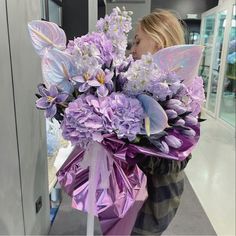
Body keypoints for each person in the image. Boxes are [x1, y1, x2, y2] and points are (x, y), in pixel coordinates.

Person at [130, 9, 191, 235]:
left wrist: (128, 147)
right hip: (130, 196)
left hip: (153, 202)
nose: (132, 50)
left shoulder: (183, 94)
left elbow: (175, 161)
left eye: (137, 41)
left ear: (159, 41)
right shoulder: (138, 85)